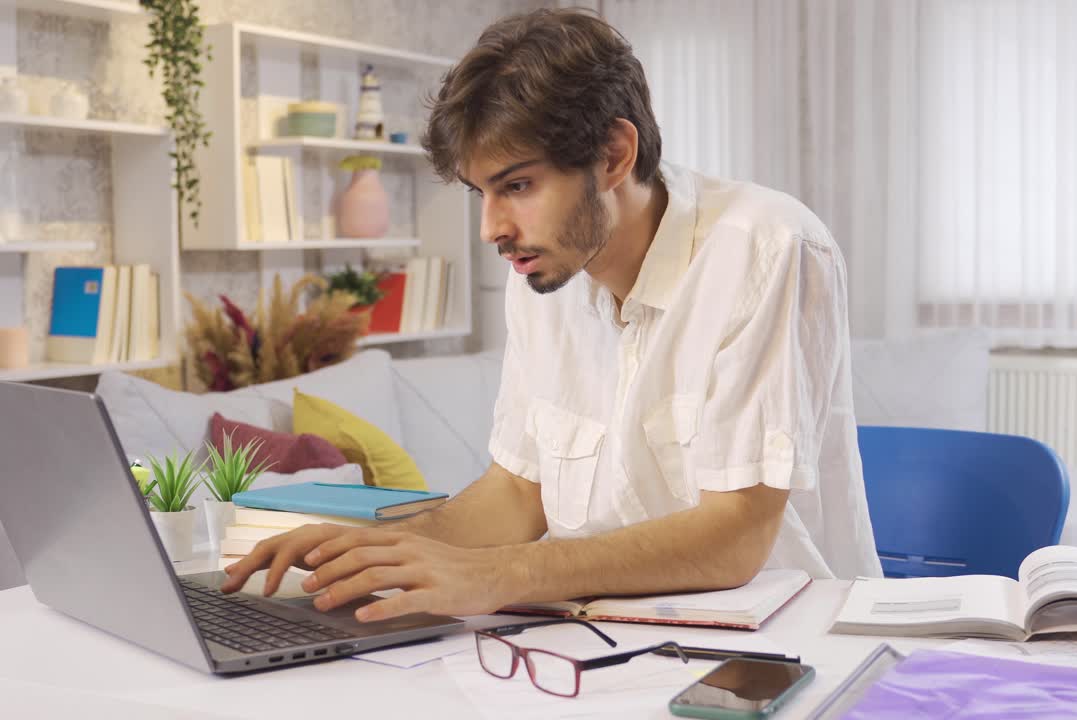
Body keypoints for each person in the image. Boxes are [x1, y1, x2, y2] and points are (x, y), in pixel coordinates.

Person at [221, 7, 881, 622]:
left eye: (517, 186)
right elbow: (517, 491)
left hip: (780, 646)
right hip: (598, 640)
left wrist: (502, 575)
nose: (491, 230)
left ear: (614, 156)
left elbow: (736, 537)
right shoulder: (544, 272)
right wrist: (371, 550)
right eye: (482, 193)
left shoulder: (764, 247)